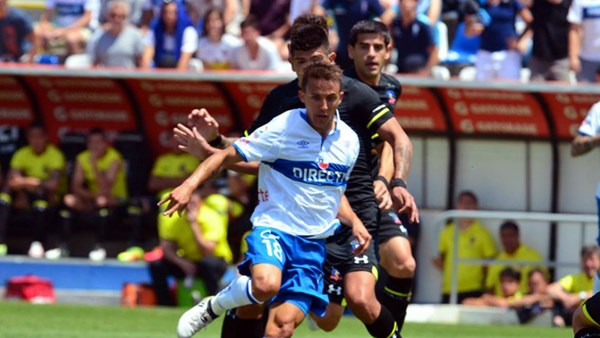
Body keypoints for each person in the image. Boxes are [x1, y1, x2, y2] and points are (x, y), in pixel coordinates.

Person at [173, 13, 418, 338]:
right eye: (300, 62)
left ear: (332, 62)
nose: (309, 72)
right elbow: (248, 154)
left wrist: (390, 181)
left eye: (314, 62)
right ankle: (220, 305)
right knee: (261, 298)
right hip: (285, 220)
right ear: (292, 67)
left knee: (349, 306)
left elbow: (393, 142)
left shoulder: (354, 109)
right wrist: (214, 147)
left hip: (343, 217)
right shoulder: (283, 110)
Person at [162, 61, 371, 338]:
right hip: (275, 228)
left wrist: (355, 221)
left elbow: (331, 192)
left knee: (281, 328)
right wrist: (188, 186)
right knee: (265, 286)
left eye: (330, 98)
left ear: (340, 97)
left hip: (312, 246)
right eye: (316, 97)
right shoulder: (284, 127)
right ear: (302, 96)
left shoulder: (349, 142)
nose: (323, 105)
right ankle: (214, 305)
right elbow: (226, 155)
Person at [311, 19, 416, 335]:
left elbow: (390, 139)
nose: (371, 54)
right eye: (364, 47)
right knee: (329, 319)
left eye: (378, 47)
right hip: (333, 197)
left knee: (403, 263)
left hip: (369, 195)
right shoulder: (335, 88)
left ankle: (392, 331)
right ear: (350, 51)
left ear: (388, 51)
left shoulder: (390, 88)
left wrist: (388, 181)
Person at [46, 128, 128, 261]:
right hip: (92, 198)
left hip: (114, 198)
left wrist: (94, 165)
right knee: (69, 200)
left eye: (98, 142)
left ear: (106, 143)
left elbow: (105, 187)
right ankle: (63, 247)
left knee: (102, 201)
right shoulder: (82, 157)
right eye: (91, 143)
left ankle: (99, 247)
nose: (95, 146)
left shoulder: (114, 157)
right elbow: (76, 186)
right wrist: (90, 196)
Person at [150, 186, 233, 306]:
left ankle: (215, 303)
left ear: (200, 200)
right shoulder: (176, 218)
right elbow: (166, 247)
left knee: (207, 263)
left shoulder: (212, 217)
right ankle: (165, 303)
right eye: (186, 203)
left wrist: (194, 224)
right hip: (188, 261)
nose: (189, 207)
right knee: (157, 265)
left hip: (216, 260)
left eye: (192, 202)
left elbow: (209, 250)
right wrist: (181, 262)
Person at [0, 124, 65, 258]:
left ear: (45, 138)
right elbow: (12, 180)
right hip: (23, 195)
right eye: (32, 137)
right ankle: (1, 243)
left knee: (41, 200)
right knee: (4, 198)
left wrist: (33, 183)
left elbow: (53, 185)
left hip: (46, 196)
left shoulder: (54, 155)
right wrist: (30, 182)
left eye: (39, 137)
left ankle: (38, 244)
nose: (36, 141)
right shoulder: (22, 153)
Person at [432, 190, 498, 304]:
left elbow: (490, 264)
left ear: (476, 207)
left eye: (470, 203)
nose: (466, 206)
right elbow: (439, 259)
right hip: (449, 289)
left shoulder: (483, 234)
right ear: (456, 206)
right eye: (463, 203)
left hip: (474, 289)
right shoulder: (447, 231)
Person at [467, 0, 532, 81]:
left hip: (508, 54)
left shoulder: (511, 3)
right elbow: (467, 33)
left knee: (510, 89)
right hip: (485, 54)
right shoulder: (478, 5)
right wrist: (472, 28)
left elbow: (531, 22)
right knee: (483, 90)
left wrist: (522, 41)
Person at [485, 220, 545, 297]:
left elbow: (543, 285)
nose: (507, 240)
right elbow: (490, 289)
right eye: (504, 236)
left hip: (526, 304)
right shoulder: (497, 262)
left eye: (510, 236)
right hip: (500, 305)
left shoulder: (533, 257)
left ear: (518, 236)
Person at [547, 244, 600, 327]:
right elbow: (551, 289)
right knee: (556, 303)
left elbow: (596, 293)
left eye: (591, 260)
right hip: (578, 315)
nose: (588, 264)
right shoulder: (576, 278)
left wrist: (579, 297)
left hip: (594, 315)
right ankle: (559, 321)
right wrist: (566, 298)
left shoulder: (598, 279)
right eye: (585, 260)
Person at [141, 0, 198, 69]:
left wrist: (175, 79)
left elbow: (184, 60)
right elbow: (147, 55)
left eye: (173, 13)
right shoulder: (155, 28)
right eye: (166, 12)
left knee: (195, 65)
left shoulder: (188, 31)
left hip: (179, 69)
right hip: (159, 65)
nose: (169, 16)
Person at [87, 0, 144, 68]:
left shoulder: (135, 36)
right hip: (106, 77)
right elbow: (94, 64)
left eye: (121, 16)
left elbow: (141, 63)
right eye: (113, 15)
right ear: (107, 15)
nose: (117, 19)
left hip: (129, 77)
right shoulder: (98, 36)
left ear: (127, 17)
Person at [527, 0, 572, 82]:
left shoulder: (570, 3)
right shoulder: (536, 3)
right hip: (538, 60)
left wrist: (574, 57)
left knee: (563, 94)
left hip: (561, 60)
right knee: (534, 94)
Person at [390, 0, 438, 75]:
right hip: (400, 70)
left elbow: (434, 51)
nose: (407, 4)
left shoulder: (423, 25)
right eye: (404, 1)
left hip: (419, 70)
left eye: (411, 1)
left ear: (416, 3)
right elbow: (390, 46)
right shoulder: (395, 24)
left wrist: (427, 71)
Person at [568, 0, 600, 82]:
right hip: (586, 58)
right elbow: (574, 30)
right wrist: (573, 57)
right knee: (584, 94)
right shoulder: (580, 1)